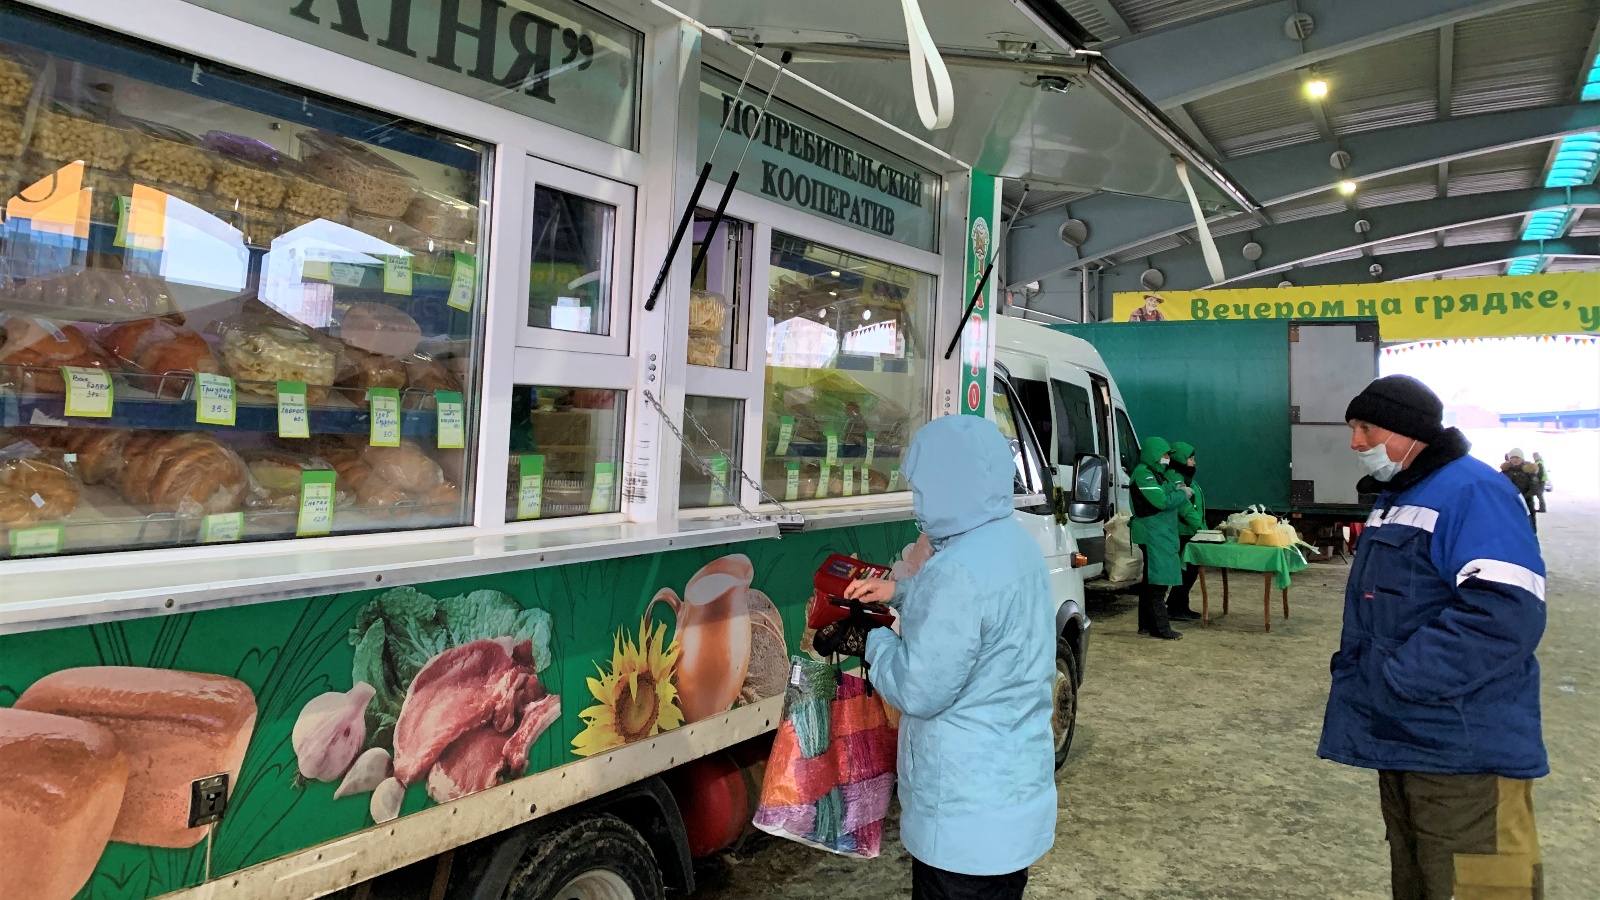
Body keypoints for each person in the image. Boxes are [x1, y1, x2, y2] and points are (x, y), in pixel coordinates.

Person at [1320, 375, 1547, 900]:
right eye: (1353, 428)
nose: (1356, 442)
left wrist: (1402, 678)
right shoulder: (1402, 495)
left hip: (1463, 745)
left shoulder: (1472, 492)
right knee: (1422, 879)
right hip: (1409, 737)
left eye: (1366, 428)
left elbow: (1504, 612)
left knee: (1484, 885)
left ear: (1409, 431)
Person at [820, 415, 1055, 900]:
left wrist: (870, 637)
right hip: (1010, 797)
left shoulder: (956, 571)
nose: (919, 502)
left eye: (924, 489)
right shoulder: (1014, 544)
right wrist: (900, 591)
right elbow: (977, 612)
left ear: (953, 486)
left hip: (963, 817)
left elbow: (917, 689)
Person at [1129, 436, 1188, 639]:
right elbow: (1161, 502)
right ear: (1154, 454)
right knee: (1157, 584)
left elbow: (1161, 491)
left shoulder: (1152, 473)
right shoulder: (1144, 474)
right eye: (1164, 454)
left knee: (1149, 582)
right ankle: (1161, 628)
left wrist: (1174, 488)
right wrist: (1182, 495)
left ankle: (1146, 625)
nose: (1167, 458)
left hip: (1155, 533)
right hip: (1153, 533)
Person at [1164, 441, 1204, 621]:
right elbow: (1185, 507)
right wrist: (1201, 529)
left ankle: (1180, 606)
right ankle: (1175, 607)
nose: (1194, 462)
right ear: (1181, 459)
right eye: (1190, 458)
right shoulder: (1175, 478)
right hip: (1182, 530)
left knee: (1189, 570)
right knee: (1186, 570)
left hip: (1189, 529)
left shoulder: (1186, 477)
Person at [1501, 447, 1541, 533]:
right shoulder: (1505, 471)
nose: (1515, 460)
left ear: (1521, 458)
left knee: (1528, 526)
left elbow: (1535, 488)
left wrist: (1523, 497)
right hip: (1510, 503)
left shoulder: (1529, 471)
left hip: (1526, 504)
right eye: (1512, 457)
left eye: (1517, 457)